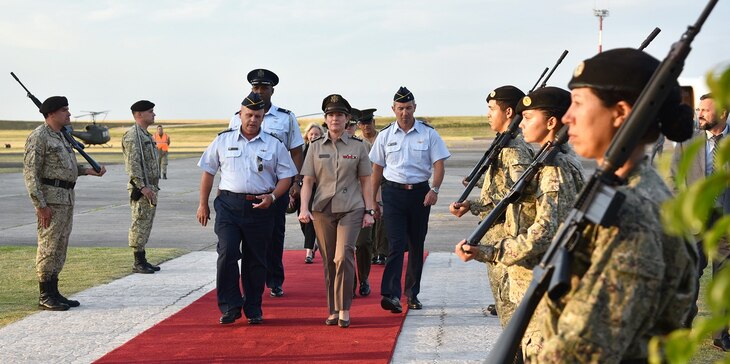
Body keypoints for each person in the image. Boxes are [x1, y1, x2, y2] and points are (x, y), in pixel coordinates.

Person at [536, 48, 697, 362]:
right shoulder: (617, 191)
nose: (568, 118)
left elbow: (582, 352)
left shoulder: (633, 214)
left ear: (621, 112)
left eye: (579, 104)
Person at [455, 87, 585, 361]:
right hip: (532, 279)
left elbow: (544, 233)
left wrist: (489, 252)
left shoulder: (555, 167)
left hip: (539, 284)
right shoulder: (548, 158)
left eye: (528, 117)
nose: (521, 123)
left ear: (551, 123)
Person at [197, 92, 297, 325]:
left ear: (264, 118)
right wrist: (202, 204)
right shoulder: (223, 140)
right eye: (249, 115)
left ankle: (253, 307)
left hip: (260, 207)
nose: (253, 120)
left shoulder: (274, 144)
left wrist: (273, 197)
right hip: (229, 206)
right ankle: (230, 306)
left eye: (258, 116)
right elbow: (208, 172)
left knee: (255, 260)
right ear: (240, 115)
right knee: (227, 253)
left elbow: (286, 177)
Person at [449, 85, 534, 326]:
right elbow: (500, 190)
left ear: (508, 112)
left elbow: (515, 195)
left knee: (510, 313)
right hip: (494, 234)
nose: (488, 114)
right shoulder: (504, 145)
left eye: (491, 109)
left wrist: (474, 206)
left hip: (503, 234)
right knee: (505, 309)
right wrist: (473, 201)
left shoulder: (514, 150)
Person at [370, 86, 450, 313]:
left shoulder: (428, 134)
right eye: (400, 108)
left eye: (408, 108)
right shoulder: (385, 135)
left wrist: (434, 189)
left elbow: (439, 164)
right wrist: (374, 200)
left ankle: (412, 294)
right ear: (393, 109)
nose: (404, 112)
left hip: (419, 195)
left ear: (415, 108)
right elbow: (376, 169)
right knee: (395, 244)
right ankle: (391, 295)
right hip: (393, 194)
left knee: (416, 244)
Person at [298, 94, 375, 328]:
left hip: (351, 208)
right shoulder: (314, 147)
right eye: (331, 115)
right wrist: (304, 208)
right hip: (322, 210)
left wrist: (369, 211)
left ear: (347, 118)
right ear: (325, 119)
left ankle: (344, 308)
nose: (335, 119)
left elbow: (365, 181)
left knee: (343, 256)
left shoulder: (358, 147)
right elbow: (308, 181)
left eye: (339, 115)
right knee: (329, 261)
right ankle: (332, 309)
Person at [24, 96, 107, 311]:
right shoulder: (39, 137)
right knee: (48, 246)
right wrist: (40, 205)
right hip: (50, 201)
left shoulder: (62, 136)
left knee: (60, 247)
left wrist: (88, 170)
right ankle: (44, 294)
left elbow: (66, 166)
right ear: (51, 114)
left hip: (67, 198)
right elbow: (31, 174)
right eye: (64, 110)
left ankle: (54, 291)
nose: (69, 114)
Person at [229, 68, 304, 298]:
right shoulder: (237, 116)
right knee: (247, 238)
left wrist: (295, 182)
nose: (260, 92)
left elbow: (296, 150)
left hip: (277, 187)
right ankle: (252, 282)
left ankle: (274, 279)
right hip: (249, 188)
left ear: (272, 90)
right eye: (256, 88)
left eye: (264, 88)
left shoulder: (285, 117)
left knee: (274, 234)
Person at [671, 93, 730, 351]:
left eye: (706, 110)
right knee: (690, 276)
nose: (700, 114)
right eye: (699, 109)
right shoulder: (688, 140)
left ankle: (720, 334)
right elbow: (675, 176)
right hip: (694, 219)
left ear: (724, 113)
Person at [123, 100, 162, 274]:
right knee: (139, 222)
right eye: (150, 112)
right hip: (142, 189)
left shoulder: (145, 135)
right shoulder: (133, 136)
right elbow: (132, 164)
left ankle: (142, 258)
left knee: (146, 223)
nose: (154, 114)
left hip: (151, 186)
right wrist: (142, 187)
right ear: (139, 115)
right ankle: (137, 261)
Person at [357, 108, 389, 266]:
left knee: (382, 217)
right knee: (368, 218)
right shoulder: (357, 142)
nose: (366, 126)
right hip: (364, 183)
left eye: (369, 122)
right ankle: (370, 252)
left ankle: (381, 252)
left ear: (373, 123)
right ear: (359, 126)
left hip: (383, 181)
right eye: (363, 123)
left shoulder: (382, 138)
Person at [300, 122, 324, 264]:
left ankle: (309, 250)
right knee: (302, 219)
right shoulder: (302, 151)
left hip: (319, 188)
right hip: (304, 189)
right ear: (307, 136)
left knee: (310, 220)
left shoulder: (323, 149)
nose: (314, 136)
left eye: (317, 134)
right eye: (312, 134)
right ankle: (312, 244)